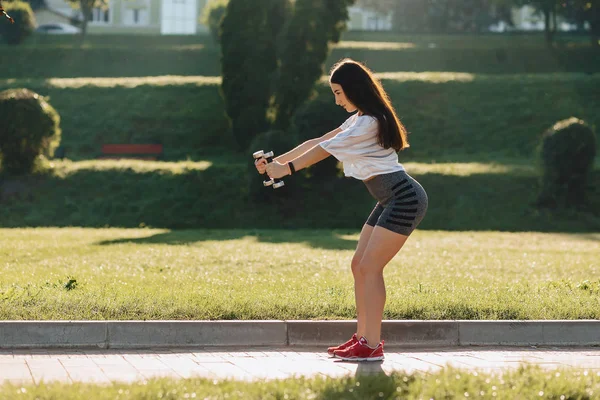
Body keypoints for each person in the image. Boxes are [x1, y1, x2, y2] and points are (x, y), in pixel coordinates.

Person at [254, 58, 428, 362]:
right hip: (390, 199)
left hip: (404, 198)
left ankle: (371, 344)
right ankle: (364, 338)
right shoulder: (358, 118)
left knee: (370, 268)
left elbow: (322, 151)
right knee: (359, 265)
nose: (336, 100)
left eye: (338, 93)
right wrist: (275, 164)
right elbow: (318, 140)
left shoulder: (368, 123)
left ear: (353, 89)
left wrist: (287, 169)